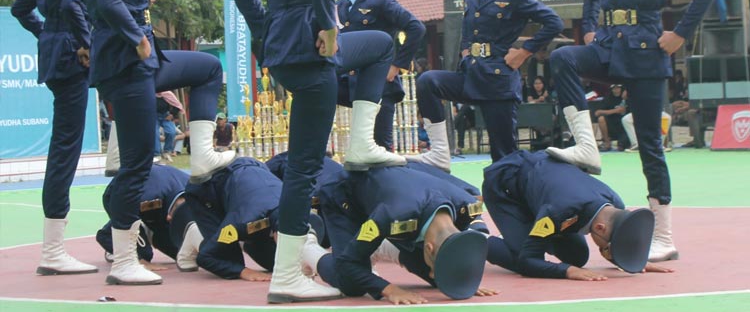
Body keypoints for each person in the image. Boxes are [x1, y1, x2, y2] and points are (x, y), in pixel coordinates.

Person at [227, 0, 404, 303]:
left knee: (378, 45)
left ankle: (364, 144)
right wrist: (328, 26)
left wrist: (265, 29)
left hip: (285, 49)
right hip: (313, 47)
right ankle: (286, 278)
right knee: (304, 167)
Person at [63, 0, 236, 285]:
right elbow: (106, 2)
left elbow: (96, 5)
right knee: (137, 165)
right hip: (130, 66)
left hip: (139, 64)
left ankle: (202, 154)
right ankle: (124, 261)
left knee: (208, 67)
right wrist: (138, 38)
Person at [545, 0, 718, 262]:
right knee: (562, 57)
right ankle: (587, 146)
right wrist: (589, 30)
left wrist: (679, 35)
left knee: (649, 145)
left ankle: (665, 235)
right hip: (607, 47)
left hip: (645, 53)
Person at [411, 0, 564, 168]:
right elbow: (467, 27)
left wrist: (524, 53)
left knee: (503, 156)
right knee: (428, 81)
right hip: (471, 74)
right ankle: (440, 151)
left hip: (498, 80)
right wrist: (464, 50)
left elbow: (554, 22)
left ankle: (514, 200)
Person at [11, 0, 98, 276]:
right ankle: (53, 251)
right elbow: (74, 7)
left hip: (54, 57)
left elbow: (20, 8)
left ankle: (54, 248)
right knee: (65, 149)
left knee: (63, 147)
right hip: (70, 60)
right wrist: (84, 45)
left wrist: (48, 35)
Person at [310, 166, 495, 304]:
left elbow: (465, 244)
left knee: (436, 277)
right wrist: (389, 290)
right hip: (346, 198)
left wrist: (459, 274)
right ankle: (308, 249)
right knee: (352, 283)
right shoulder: (393, 216)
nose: (432, 273)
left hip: (393, 195)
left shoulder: (467, 205)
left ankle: (381, 246)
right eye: (433, 267)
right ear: (429, 247)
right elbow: (347, 262)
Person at [482, 150, 673, 279]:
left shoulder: (616, 204)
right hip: (506, 187)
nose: (609, 252)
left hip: (542, 186)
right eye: (609, 248)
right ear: (600, 228)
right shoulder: (558, 212)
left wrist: (634, 259)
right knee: (523, 259)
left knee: (577, 256)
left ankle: (524, 233)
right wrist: (566, 271)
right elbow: (529, 261)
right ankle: (481, 241)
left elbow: (619, 237)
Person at [337, 0, 426, 152]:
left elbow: (416, 28)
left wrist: (396, 65)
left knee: (379, 148)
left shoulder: (382, 1)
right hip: (345, 85)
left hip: (378, 86)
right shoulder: (339, 5)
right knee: (349, 149)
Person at [184, 157, 325, 281]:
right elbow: (205, 258)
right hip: (207, 185)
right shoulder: (242, 221)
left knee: (277, 264)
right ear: (277, 235)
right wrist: (243, 272)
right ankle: (195, 234)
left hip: (253, 174)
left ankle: (247, 242)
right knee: (227, 257)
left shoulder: (298, 208)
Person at [96, 164, 202, 272]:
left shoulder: (198, 191)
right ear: (169, 217)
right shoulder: (148, 196)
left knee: (182, 251)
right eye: (176, 220)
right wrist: (139, 259)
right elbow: (122, 217)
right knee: (143, 254)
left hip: (161, 204)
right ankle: (115, 243)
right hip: (119, 198)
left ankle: (150, 233)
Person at [594, 84, 628, 151]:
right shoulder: (608, 98)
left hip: (624, 124)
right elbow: (597, 112)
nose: (616, 90)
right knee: (601, 119)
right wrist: (615, 111)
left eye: (618, 88)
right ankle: (607, 143)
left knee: (621, 146)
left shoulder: (626, 98)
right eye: (614, 88)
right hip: (612, 123)